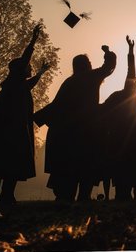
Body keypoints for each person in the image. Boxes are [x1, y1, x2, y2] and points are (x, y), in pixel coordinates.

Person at [34, 44, 117, 202]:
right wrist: (107, 52)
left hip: (69, 131)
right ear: (88, 65)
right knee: (87, 165)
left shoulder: (69, 82)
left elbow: (57, 104)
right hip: (88, 129)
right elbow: (109, 66)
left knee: (69, 167)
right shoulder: (92, 77)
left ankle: (66, 196)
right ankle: (83, 197)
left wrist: (40, 117)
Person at [0, 24, 49, 204]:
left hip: (16, 128)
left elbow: (32, 82)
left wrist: (41, 72)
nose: (30, 69)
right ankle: (2, 196)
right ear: (20, 69)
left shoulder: (18, 85)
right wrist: (33, 39)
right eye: (28, 67)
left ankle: (6, 195)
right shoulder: (15, 82)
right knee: (8, 164)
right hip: (13, 130)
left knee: (12, 165)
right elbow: (25, 59)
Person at [100, 36, 136, 201]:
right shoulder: (130, 95)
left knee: (131, 169)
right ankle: (129, 194)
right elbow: (130, 69)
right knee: (131, 169)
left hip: (130, 140)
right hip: (131, 140)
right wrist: (131, 50)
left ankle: (130, 194)